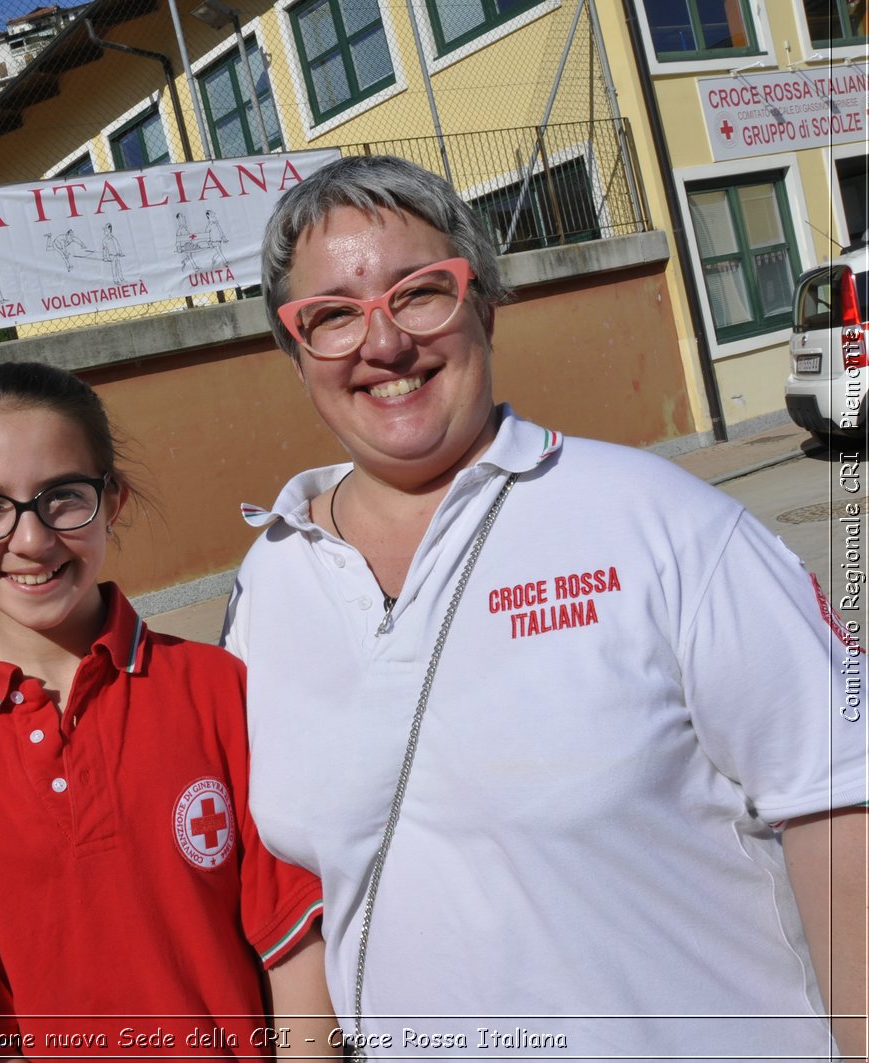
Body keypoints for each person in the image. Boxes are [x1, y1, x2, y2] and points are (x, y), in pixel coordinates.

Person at [224, 153, 867, 1059]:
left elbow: (842, 807)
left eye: (420, 293)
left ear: (484, 300)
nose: (384, 344)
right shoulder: (269, 581)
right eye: (330, 317)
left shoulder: (666, 525)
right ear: (294, 356)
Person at [0, 360, 337, 1059]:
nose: (33, 540)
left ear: (114, 500)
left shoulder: (218, 690)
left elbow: (293, 945)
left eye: (63, 498)